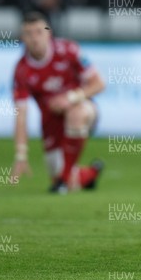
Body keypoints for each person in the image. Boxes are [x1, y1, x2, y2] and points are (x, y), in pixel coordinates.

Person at [12, 11, 105, 194]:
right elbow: (21, 114)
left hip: (83, 109)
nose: (35, 38)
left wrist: (70, 98)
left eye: (39, 31)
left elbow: (99, 84)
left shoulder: (69, 51)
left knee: (76, 112)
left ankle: (63, 180)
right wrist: (21, 154)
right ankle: (90, 174)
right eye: (29, 34)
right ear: (22, 38)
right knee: (68, 180)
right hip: (52, 121)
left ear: (48, 33)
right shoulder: (22, 70)